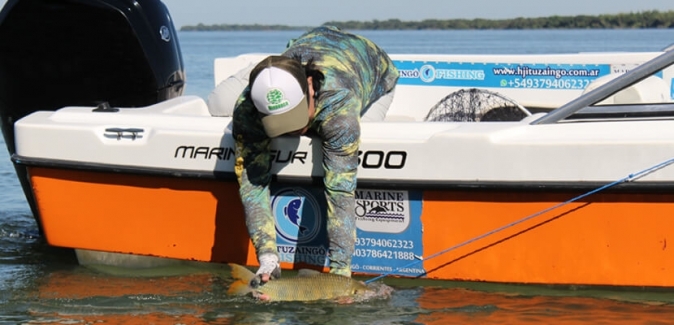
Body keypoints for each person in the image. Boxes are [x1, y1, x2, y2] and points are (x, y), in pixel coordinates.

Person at [222, 26, 398, 283]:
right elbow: (253, 182)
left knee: (358, 135)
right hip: (310, 44)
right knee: (219, 103)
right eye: (280, 123)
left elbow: (340, 192)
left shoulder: (340, 107)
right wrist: (268, 258)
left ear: (310, 87)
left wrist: (340, 276)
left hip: (374, 70)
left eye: (295, 119)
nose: (292, 131)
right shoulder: (248, 108)